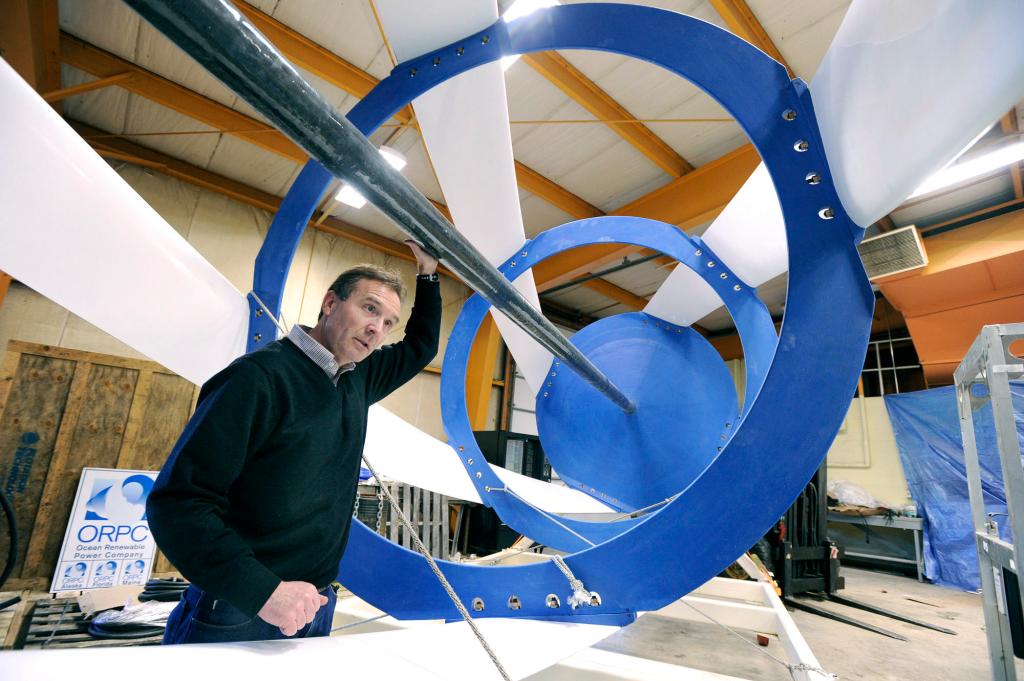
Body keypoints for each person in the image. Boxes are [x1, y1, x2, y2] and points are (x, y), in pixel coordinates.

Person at [147, 241, 440, 644]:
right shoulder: (257, 379)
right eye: (370, 308)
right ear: (330, 303)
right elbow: (178, 504)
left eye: (389, 321)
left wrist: (428, 272)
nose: (377, 328)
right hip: (243, 605)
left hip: (315, 604)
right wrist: (262, 591)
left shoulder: (358, 379)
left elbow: (421, 346)